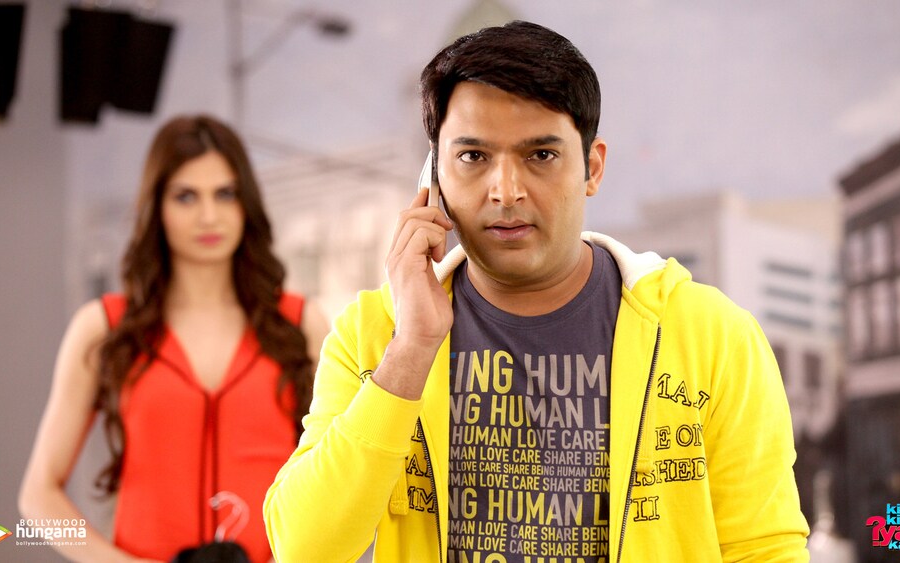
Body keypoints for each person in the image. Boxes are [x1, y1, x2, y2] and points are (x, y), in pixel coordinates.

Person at [264, 20, 809, 562]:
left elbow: (765, 548)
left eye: (540, 155)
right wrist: (410, 351)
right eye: (473, 157)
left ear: (592, 167)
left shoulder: (710, 336)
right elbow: (305, 549)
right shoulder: (375, 334)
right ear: (434, 179)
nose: (505, 191)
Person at [19, 115, 329, 563]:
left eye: (225, 194)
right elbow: (37, 495)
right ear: (157, 206)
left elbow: (338, 479)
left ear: (246, 204)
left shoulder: (301, 325)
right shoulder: (103, 329)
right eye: (186, 196)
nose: (208, 216)